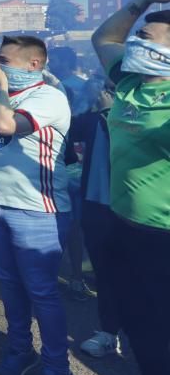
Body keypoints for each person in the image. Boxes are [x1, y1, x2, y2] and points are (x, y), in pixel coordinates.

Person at [0, 36, 76, 375]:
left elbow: (8, 126)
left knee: (41, 292)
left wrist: (1, 89)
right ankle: (20, 350)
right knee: (10, 286)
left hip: (38, 211)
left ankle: (58, 370)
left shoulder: (48, 97)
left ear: (34, 64)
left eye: (4, 60)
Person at [91, 0, 170, 375]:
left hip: (163, 239)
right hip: (123, 225)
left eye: (145, 35)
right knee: (142, 332)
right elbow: (104, 37)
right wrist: (142, 2)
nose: (134, 39)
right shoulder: (128, 79)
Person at [69, 81, 122, 358]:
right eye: (105, 86)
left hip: (132, 210)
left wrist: (109, 113)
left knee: (143, 277)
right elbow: (70, 128)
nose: (106, 91)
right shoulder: (95, 114)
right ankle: (108, 333)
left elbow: (130, 146)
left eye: (113, 86)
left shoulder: (138, 115)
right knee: (104, 272)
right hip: (95, 204)